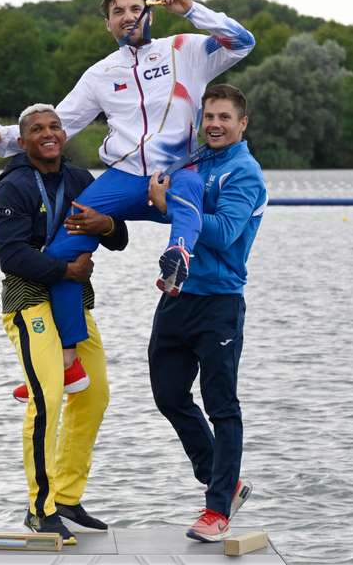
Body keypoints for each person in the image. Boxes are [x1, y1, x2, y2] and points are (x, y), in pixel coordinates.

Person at [0, 0, 256, 373]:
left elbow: (242, 41)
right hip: (124, 179)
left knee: (192, 186)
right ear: (108, 24)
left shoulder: (184, 50)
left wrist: (193, 11)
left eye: (134, 8)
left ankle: (177, 258)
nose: (128, 17)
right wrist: (1, 136)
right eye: (118, 12)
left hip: (175, 173)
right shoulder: (100, 74)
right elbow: (60, 123)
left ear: (149, 12)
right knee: (60, 253)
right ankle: (70, 355)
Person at [0, 104, 129, 545]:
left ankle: (68, 497)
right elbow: (11, 257)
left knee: (96, 395)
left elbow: (119, 238)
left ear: (64, 134)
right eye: (36, 129)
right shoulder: (12, 187)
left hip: (75, 304)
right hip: (29, 302)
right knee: (47, 399)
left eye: (54, 127)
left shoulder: (80, 180)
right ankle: (40, 507)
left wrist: (105, 223)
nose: (48, 134)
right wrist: (65, 272)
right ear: (23, 138)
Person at [147, 84, 268, 543]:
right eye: (209, 116)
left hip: (219, 301)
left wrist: (173, 204)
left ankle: (218, 508)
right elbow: (181, 218)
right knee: (168, 394)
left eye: (224, 117)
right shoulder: (195, 161)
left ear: (242, 123)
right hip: (177, 296)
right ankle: (225, 480)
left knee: (221, 405)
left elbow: (218, 232)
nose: (214, 124)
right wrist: (160, 204)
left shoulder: (245, 173)